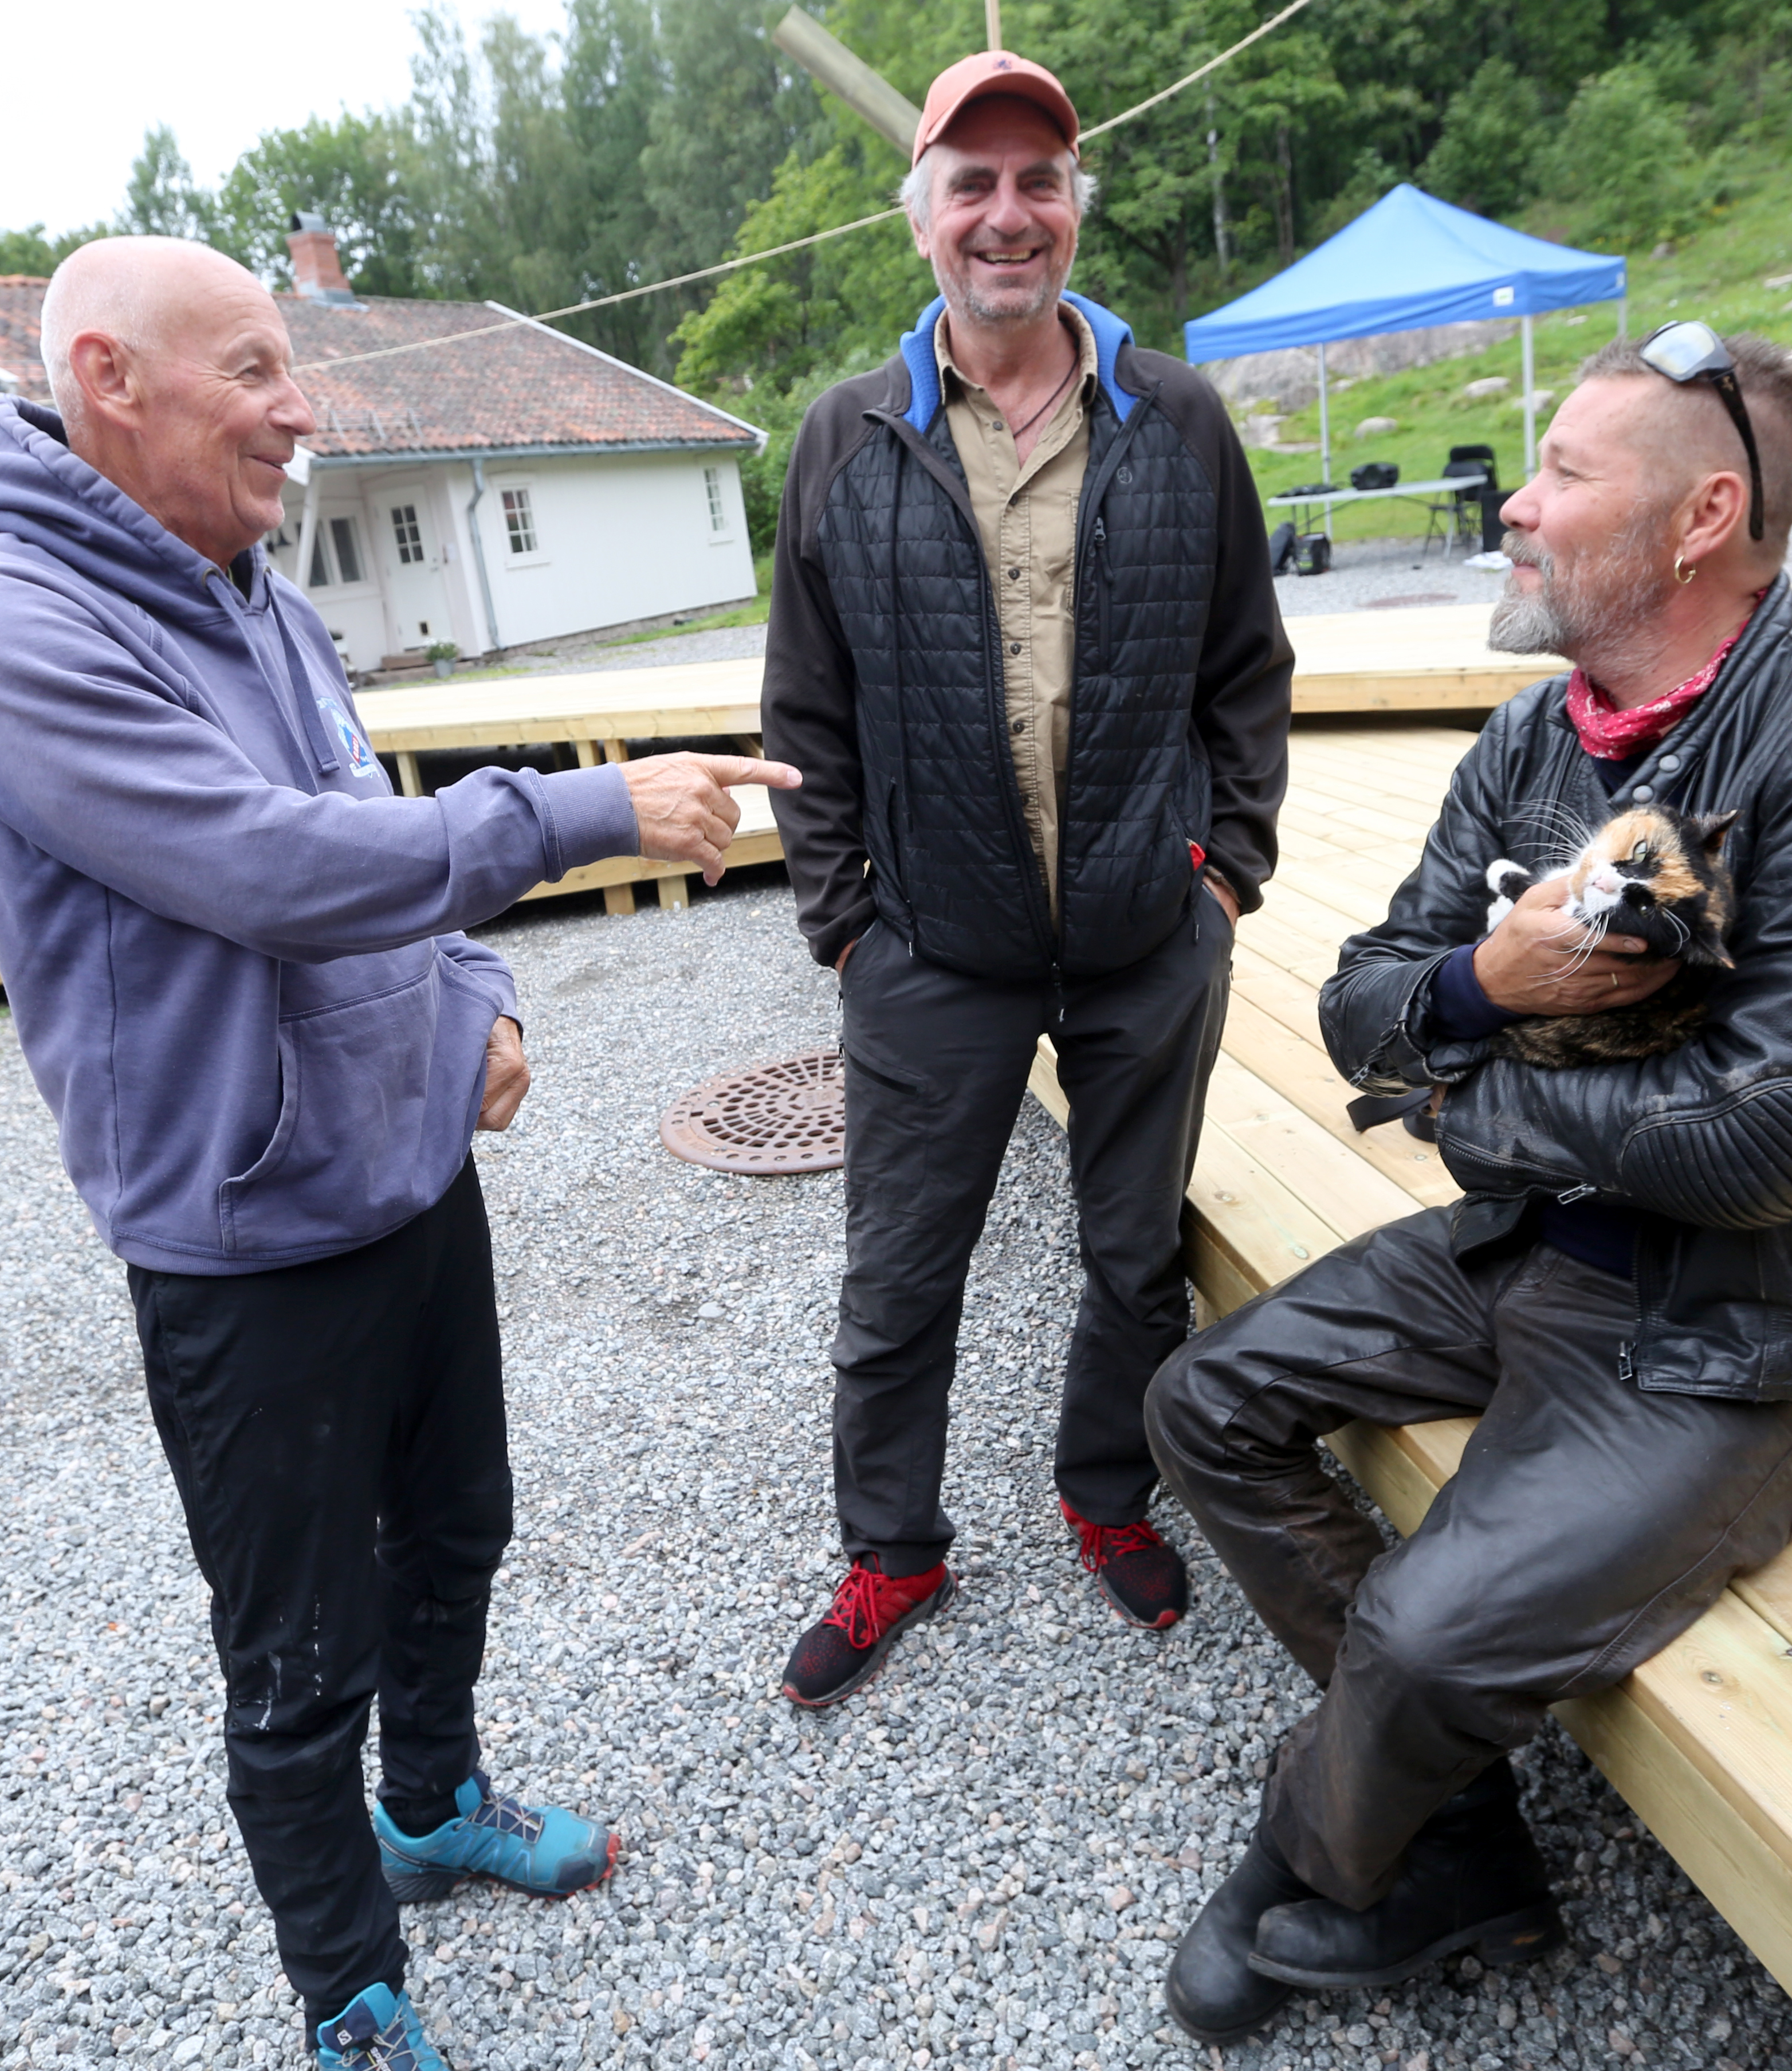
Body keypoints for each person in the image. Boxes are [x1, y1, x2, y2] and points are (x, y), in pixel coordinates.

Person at [0, 237, 797, 2071]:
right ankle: (345, 1991)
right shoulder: (11, 626)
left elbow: (360, 820)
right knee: (295, 1655)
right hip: (247, 1237)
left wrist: (475, 990)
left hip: (410, 1178)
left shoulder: (251, 590)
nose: (296, 405)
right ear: (109, 381)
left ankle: (437, 1807)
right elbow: (263, 866)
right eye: (248, 368)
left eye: (288, 366)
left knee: (456, 1533)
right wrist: (583, 808)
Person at [1146, 327, 1792, 2043]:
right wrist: (1482, 993)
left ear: (1701, 517)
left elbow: (1772, 1146)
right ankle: (1449, 1823)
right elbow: (1361, 1005)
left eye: (1559, 474)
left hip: (1758, 1329)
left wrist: (1472, 1106)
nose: (1514, 510)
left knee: (1420, 1639)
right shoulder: (1541, 736)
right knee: (1201, 1401)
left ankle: (1335, 1850)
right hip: (1543, 1246)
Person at [760, 49, 1294, 1708]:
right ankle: (890, 1549)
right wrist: (849, 922)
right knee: (898, 1279)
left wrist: (1225, 880)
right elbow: (804, 706)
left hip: (1148, 938)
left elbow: (1246, 670)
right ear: (919, 218)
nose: (1009, 215)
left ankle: (1104, 1488)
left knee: (1133, 1256)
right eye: (973, 183)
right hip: (933, 949)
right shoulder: (845, 437)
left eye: (1038, 180)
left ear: (1075, 205)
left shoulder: (1180, 419)